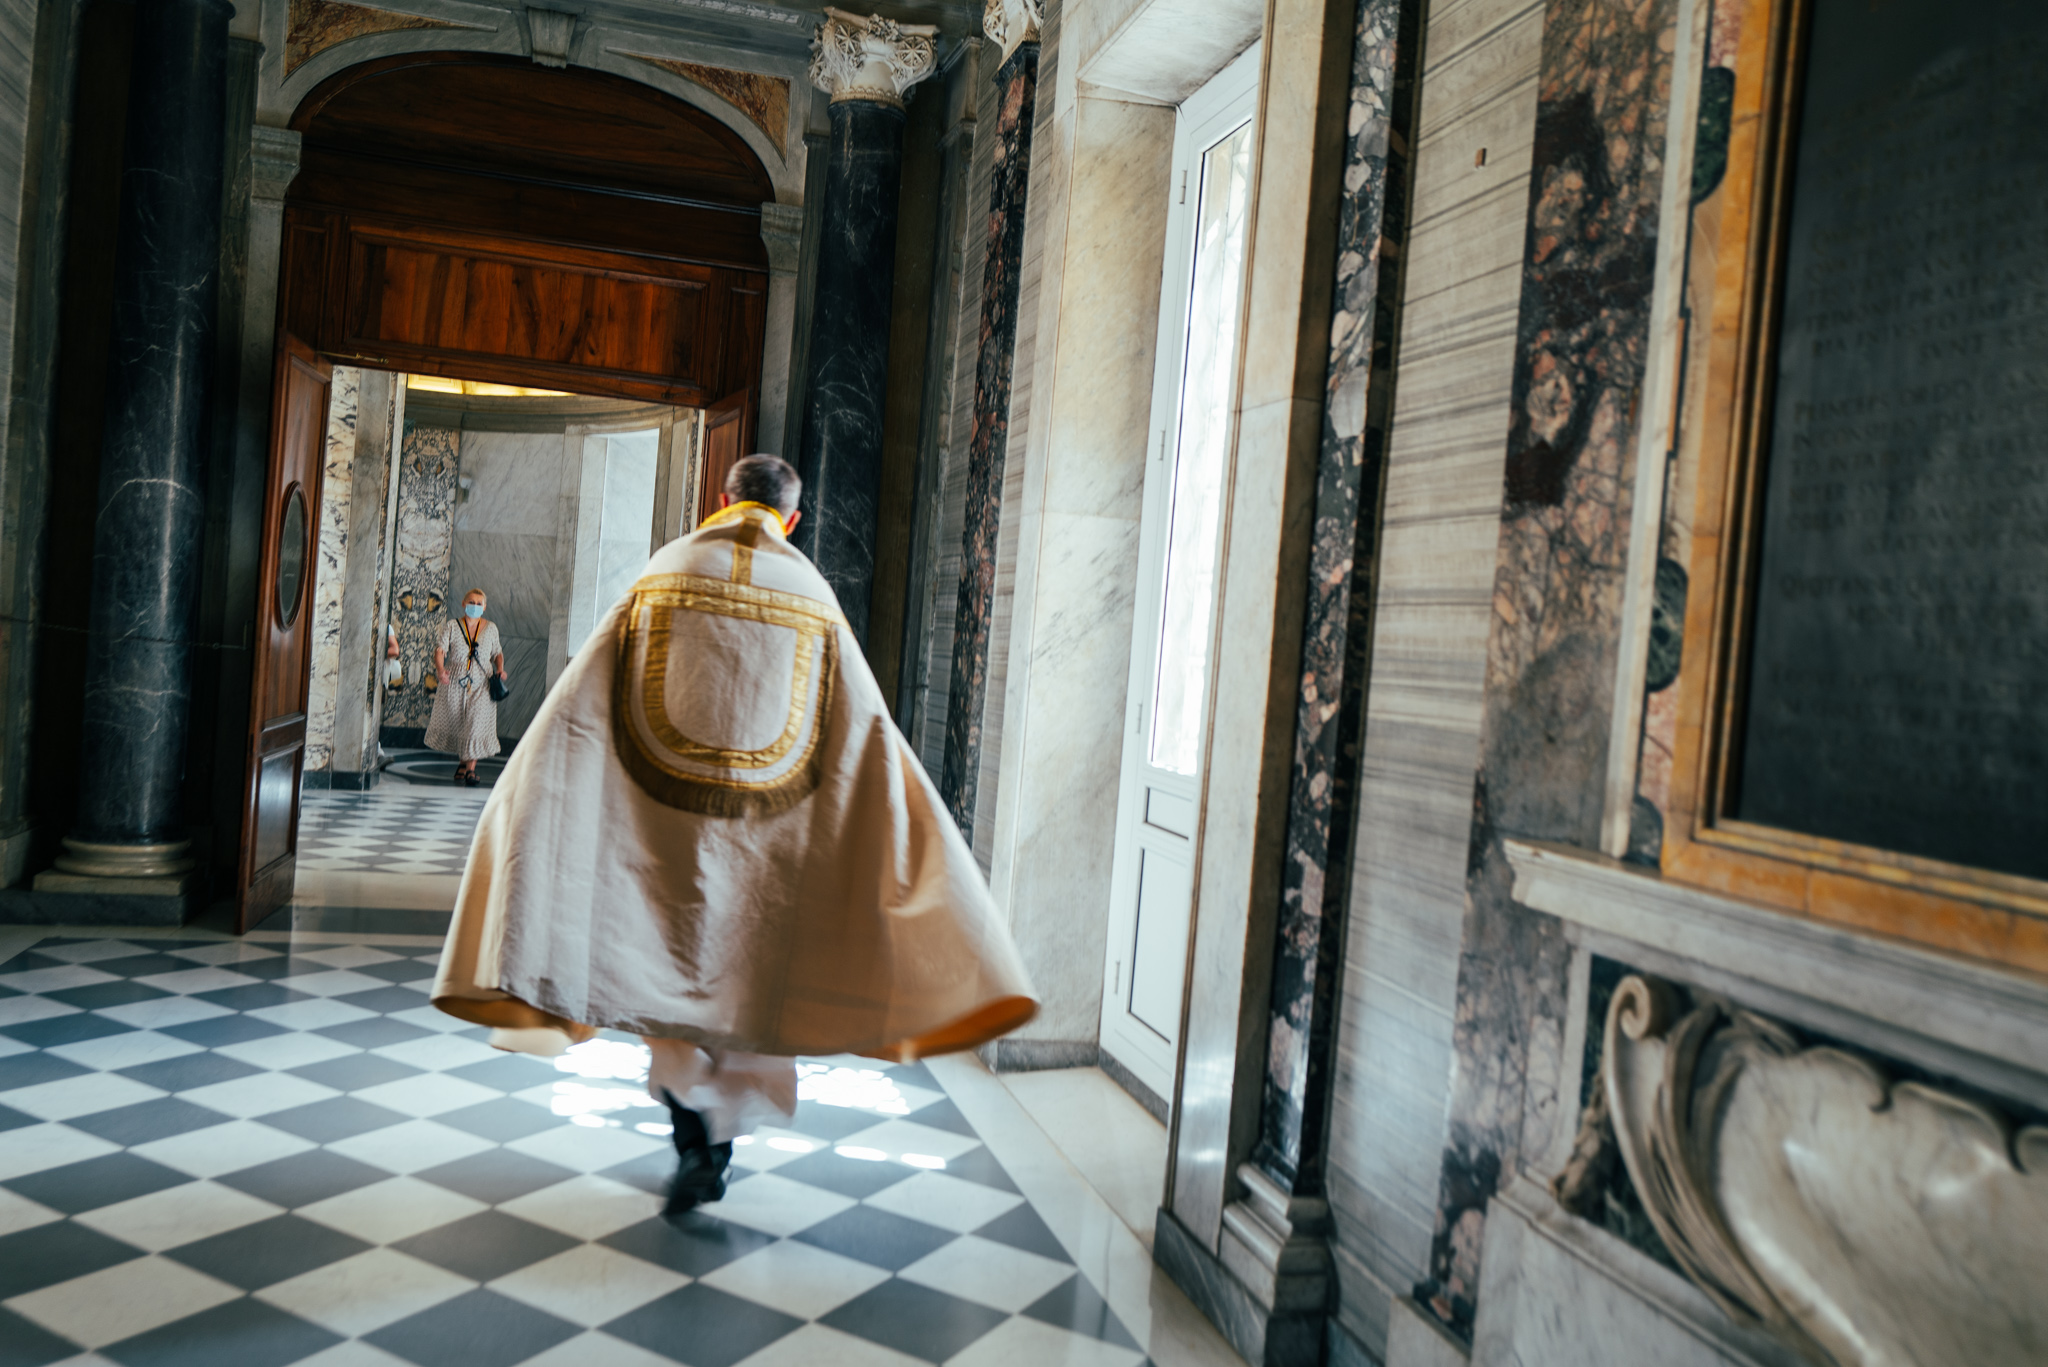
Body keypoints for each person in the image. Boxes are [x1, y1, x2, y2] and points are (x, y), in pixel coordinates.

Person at [432, 455, 1035, 1213]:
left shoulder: (666, 569)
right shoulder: (811, 594)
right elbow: (863, 729)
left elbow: (583, 702)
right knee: (751, 1003)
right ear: (793, 517)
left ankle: (695, 1142)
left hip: (660, 839)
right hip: (772, 852)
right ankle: (714, 1149)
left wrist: (546, 791)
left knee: (671, 1000)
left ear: (721, 499)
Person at [425, 588, 508, 788]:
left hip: (483, 682)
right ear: (463, 604)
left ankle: (470, 769)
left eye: (479, 603)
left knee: (476, 722)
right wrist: (440, 669)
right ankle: (462, 765)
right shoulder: (453, 626)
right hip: (455, 681)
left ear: (485, 607)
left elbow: (497, 652)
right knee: (461, 722)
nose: (475, 606)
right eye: (471, 602)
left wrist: (500, 669)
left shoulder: (491, 628)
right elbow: (440, 650)